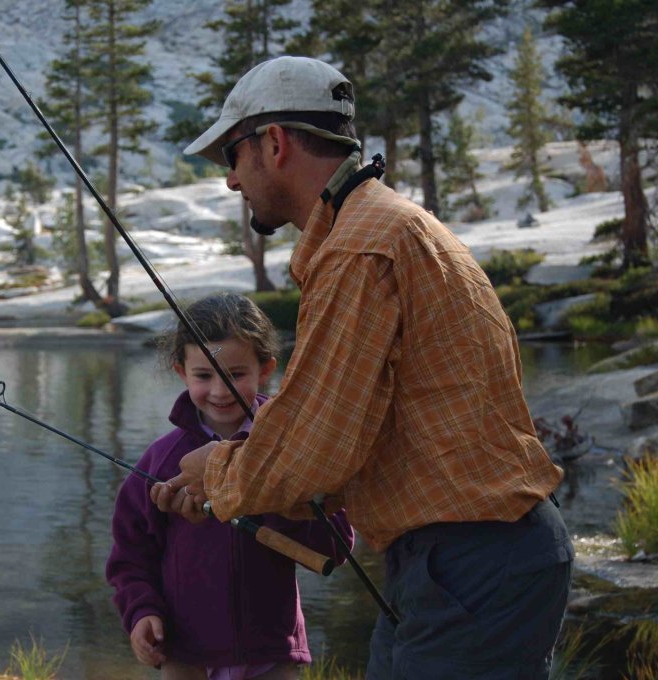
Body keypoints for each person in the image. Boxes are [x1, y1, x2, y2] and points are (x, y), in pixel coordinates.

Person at [151, 56, 574, 679]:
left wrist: (216, 471)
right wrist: (230, 490)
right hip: (468, 556)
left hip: (472, 561)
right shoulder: (384, 225)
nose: (231, 181)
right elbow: (353, 443)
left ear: (273, 143)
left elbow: (316, 441)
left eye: (232, 157)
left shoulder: (360, 247)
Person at [106, 292, 354, 680]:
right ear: (180, 373)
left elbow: (336, 546)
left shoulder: (295, 451)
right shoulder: (160, 460)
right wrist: (142, 611)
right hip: (184, 654)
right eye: (204, 376)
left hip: (274, 652)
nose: (220, 392)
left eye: (235, 374)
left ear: (266, 369)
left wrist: (263, 491)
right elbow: (131, 555)